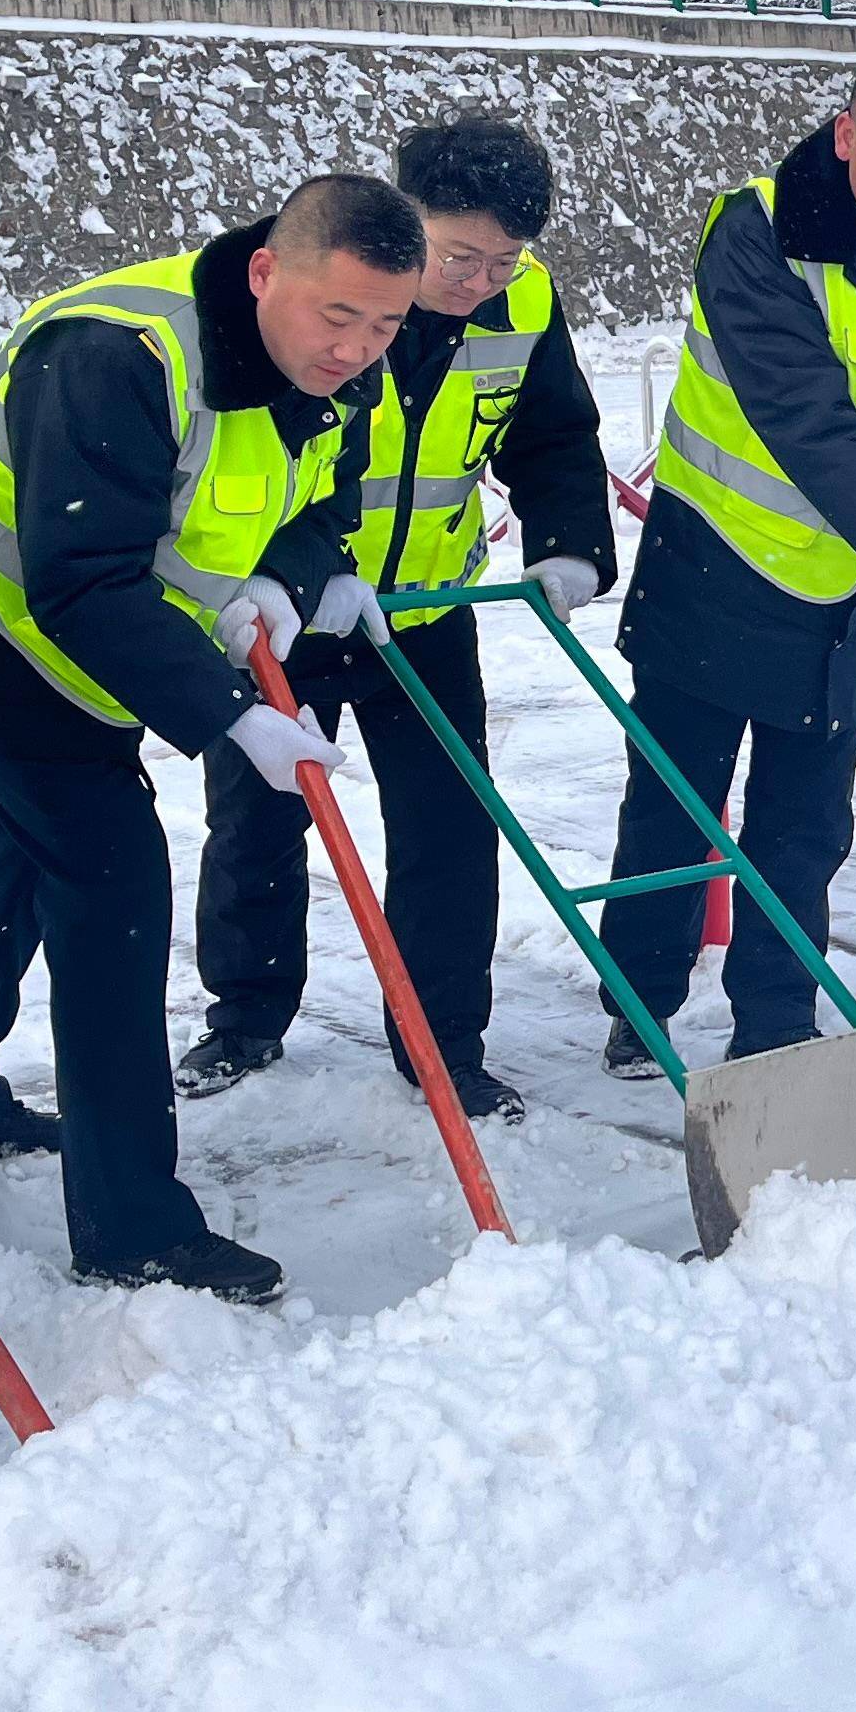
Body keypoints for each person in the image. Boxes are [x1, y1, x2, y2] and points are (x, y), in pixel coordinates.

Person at [0, 174, 420, 1305]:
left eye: (385, 323)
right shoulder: (118, 356)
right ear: (265, 271)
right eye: (335, 316)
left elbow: (317, 505)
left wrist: (292, 581)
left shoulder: (342, 369)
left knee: (22, 859)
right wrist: (234, 715)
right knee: (111, 892)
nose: (356, 348)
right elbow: (79, 582)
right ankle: (130, 1227)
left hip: (108, 641)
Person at [182, 112, 617, 1115]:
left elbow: (552, 434)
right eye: (459, 254)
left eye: (504, 261)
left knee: (450, 825)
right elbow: (254, 448)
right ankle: (245, 1018)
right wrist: (297, 573)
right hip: (287, 607)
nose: (480, 281)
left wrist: (568, 544)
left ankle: (443, 1043)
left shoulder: (525, 305)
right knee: (257, 815)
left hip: (424, 610)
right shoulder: (324, 301)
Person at [593, 44, 856, 1068]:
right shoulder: (759, 234)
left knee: (808, 825)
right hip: (717, 562)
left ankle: (777, 1032)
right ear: (848, 137)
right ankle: (640, 1008)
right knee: (676, 809)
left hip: (842, 586)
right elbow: (799, 413)